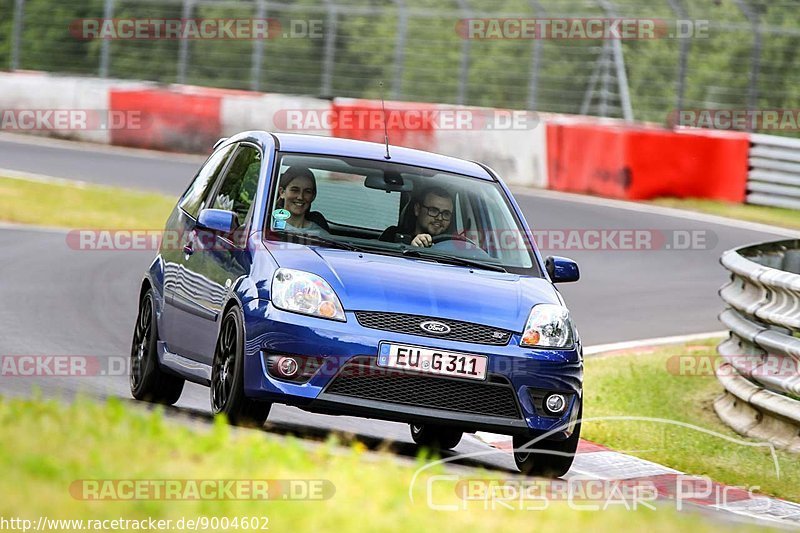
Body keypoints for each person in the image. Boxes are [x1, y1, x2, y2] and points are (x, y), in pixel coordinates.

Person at [381, 186, 454, 247]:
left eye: (446, 214)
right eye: (433, 210)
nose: (439, 218)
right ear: (417, 209)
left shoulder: (454, 247)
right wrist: (411, 248)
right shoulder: (393, 235)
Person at [275, 166, 328, 232]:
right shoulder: (267, 227)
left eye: (307, 191)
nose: (300, 197)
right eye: (294, 190)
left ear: (313, 196)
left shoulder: (320, 234)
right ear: (282, 192)